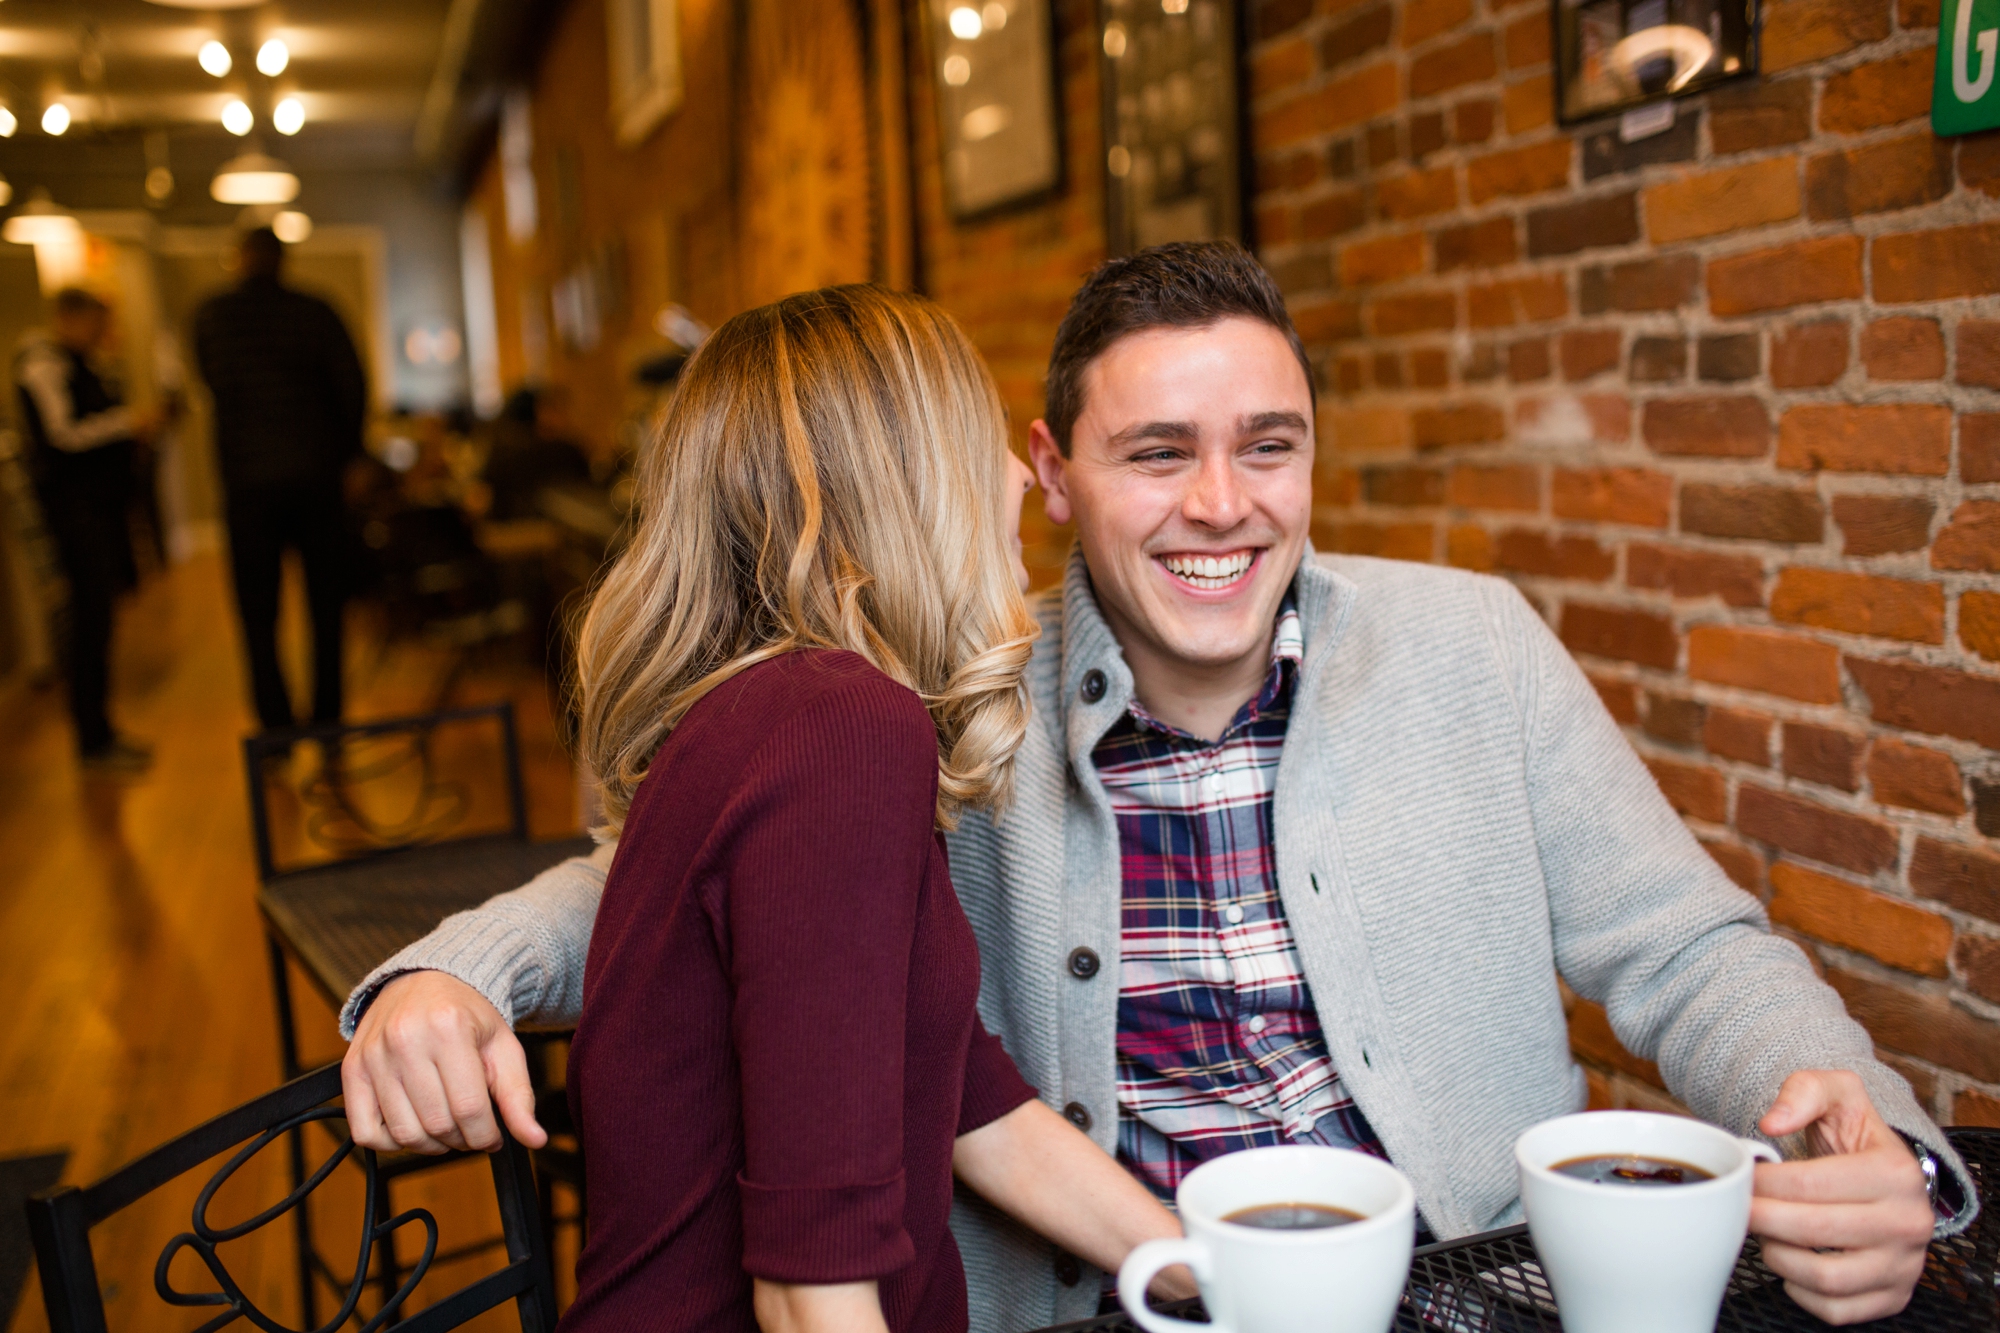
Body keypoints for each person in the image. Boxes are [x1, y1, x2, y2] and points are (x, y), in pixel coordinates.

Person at [340, 244, 1968, 1331]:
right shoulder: (943, 690)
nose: (1221, 504)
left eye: (1269, 444)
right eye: (1154, 453)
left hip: (1464, 1288)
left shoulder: (1472, 645)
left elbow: (1686, 947)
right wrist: (445, 971)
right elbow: (673, 876)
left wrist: (1865, 1114)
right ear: (1048, 474)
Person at [512, 284, 1188, 1332]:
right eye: (978, 434)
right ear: (906, 483)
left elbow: (973, 1101)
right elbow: (809, 1289)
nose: (1017, 475)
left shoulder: (785, 710)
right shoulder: (841, 730)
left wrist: (1211, 1272)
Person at [193, 227, 367, 734]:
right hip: (317, 478)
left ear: (239, 258)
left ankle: (276, 732)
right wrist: (348, 455)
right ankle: (329, 724)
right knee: (326, 609)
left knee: (257, 616)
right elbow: (352, 386)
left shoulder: (213, 315)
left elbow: (212, 383)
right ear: (282, 260)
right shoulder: (317, 311)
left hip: (249, 484)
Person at [12, 287, 161, 772]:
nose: (101, 336)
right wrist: (125, 424)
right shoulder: (43, 364)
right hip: (75, 514)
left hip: (95, 511)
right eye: (96, 324)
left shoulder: (79, 363)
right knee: (88, 622)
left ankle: (99, 731)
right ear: (70, 318)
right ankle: (92, 738)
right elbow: (63, 435)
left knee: (100, 619)